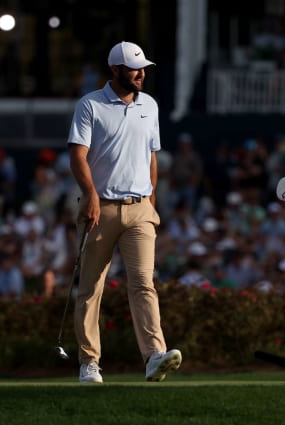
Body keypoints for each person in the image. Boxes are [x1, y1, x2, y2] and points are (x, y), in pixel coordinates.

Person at [67, 41, 182, 383]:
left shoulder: (149, 105)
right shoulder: (89, 105)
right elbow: (78, 156)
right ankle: (89, 363)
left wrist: (152, 200)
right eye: (135, 69)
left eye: (143, 68)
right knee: (91, 288)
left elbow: (151, 157)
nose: (141, 74)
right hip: (99, 209)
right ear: (115, 70)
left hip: (140, 209)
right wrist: (89, 195)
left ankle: (153, 356)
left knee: (144, 283)